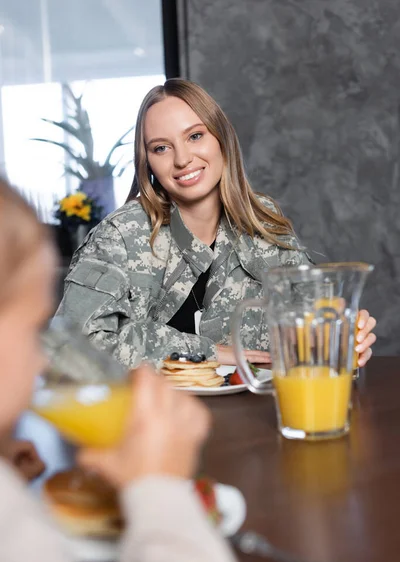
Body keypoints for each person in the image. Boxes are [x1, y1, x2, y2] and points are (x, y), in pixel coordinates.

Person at [0, 178, 253, 562]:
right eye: (30, 329)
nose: (41, 358)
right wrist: (159, 485)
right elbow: (84, 337)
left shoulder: (258, 224)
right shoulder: (121, 232)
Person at [56, 79, 376, 368]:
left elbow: (310, 322)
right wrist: (207, 351)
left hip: (253, 416)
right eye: (162, 148)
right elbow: (69, 346)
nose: (182, 159)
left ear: (220, 138)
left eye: (195, 136)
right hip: (151, 423)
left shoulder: (261, 220)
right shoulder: (121, 235)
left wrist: (343, 333)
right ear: (147, 161)